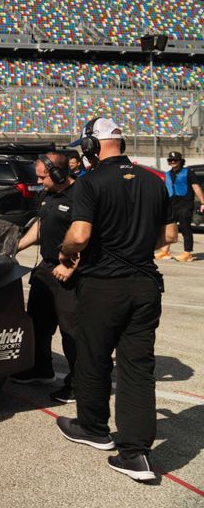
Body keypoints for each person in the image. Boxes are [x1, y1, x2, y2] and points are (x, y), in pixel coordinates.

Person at [56, 118, 175, 482]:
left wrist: (65, 253)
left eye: (84, 146)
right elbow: (167, 235)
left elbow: (79, 234)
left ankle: (93, 429)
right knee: (138, 368)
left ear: (93, 145)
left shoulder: (90, 181)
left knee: (93, 356)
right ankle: (136, 453)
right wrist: (135, 248)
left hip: (104, 285)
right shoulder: (155, 180)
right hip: (145, 285)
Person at [11, 153, 79, 403]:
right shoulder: (48, 194)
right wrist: (16, 246)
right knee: (37, 322)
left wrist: (71, 266)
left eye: (42, 177)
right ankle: (40, 369)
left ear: (59, 173)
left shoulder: (81, 195)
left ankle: (78, 384)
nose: (39, 182)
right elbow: (40, 226)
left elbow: (88, 236)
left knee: (71, 330)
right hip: (47, 266)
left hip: (69, 270)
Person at [158, 151, 203, 262]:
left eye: (175, 160)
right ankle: (165, 251)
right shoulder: (167, 174)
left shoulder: (188, 173)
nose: (173, 162)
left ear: (180, 161)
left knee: (185, 228)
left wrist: (203, 202)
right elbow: (165, 190)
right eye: (170, 160)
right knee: (167, 228)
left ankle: (187, 253)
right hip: (171, 204)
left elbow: (196, 187)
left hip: (185, 204)